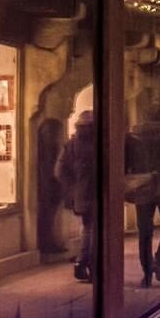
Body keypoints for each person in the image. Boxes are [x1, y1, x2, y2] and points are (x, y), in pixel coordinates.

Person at [125, 103, 160, 287]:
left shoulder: (133, 137)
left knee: (145, 233)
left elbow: (126, 164)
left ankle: (147, 274)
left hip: (142, 188)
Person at [58, 110, 98, 283]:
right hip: (96, 194)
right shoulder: (99, 142)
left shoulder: (72, 143)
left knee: (88, 229)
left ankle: (83, 263)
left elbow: (59, 171)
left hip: (81, 194)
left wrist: (73, 189)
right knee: (93, 231)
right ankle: (84, 262)